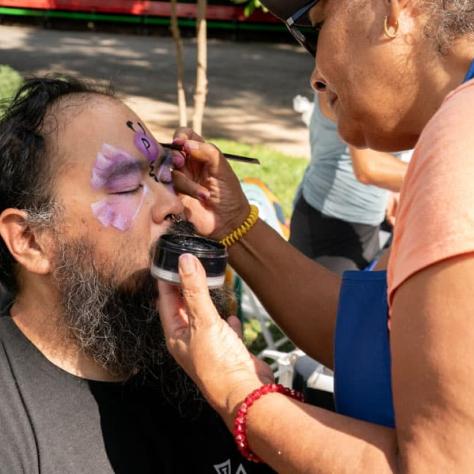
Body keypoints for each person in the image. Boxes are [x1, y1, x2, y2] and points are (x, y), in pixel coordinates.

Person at [156, 0, 474, 471]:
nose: (315, 77)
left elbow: (438, 465)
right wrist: (233, 225)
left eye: (315, 25)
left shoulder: (461, 141)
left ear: (396, 7)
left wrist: (237, 390)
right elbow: (365, 334)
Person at [0, 77, 274, 473]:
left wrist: (262, 411)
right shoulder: (11, 425)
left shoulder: (211, 366)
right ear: (31, 240)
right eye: (128, 186)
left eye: (164, 177)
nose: (172, 203)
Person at [290, 94, 408, 273]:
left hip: (367, 222)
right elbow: (369, 167)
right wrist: (441, 177)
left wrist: (393, 189)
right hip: (331, 226)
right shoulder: (359, 76)